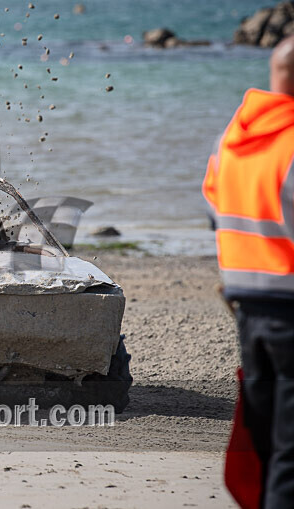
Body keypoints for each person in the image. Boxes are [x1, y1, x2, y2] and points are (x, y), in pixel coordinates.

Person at [203, 35, 294, 509]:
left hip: (247, 303)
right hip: (289, 305)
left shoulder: (235, 135)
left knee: (262, 434)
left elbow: (215, 205)